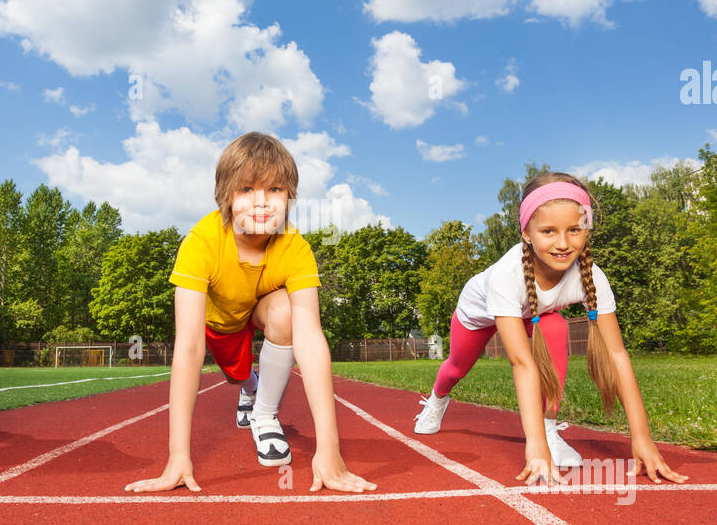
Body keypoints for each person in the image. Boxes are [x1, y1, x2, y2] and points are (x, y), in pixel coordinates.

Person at [125, 132, 374, 494]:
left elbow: (310, 338)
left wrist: (329, 450)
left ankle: (264, 414)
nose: (261, 202)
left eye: (274, 189)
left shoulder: (294, 246)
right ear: (225, 196)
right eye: (246, 190)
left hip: (257, 311)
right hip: (220, 323)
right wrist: (178, 456)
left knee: (289, 315)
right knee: (238, 375)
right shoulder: (202, 242)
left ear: (290, 196)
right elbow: (190, 347)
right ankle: (250, 389)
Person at [413, 172, 687, 487]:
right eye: (548, 231)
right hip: (479, 315)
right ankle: (436, 400)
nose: (562, 243)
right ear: (526, 233)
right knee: (456, 368)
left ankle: (549, 427)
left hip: (538, 314)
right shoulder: (506, 275)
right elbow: (523, 363)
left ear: (587, 229)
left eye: (574, 230)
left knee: (555, 327)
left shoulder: (592, 277)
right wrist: (534, 447)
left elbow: (616, 354)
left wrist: (642, 440)